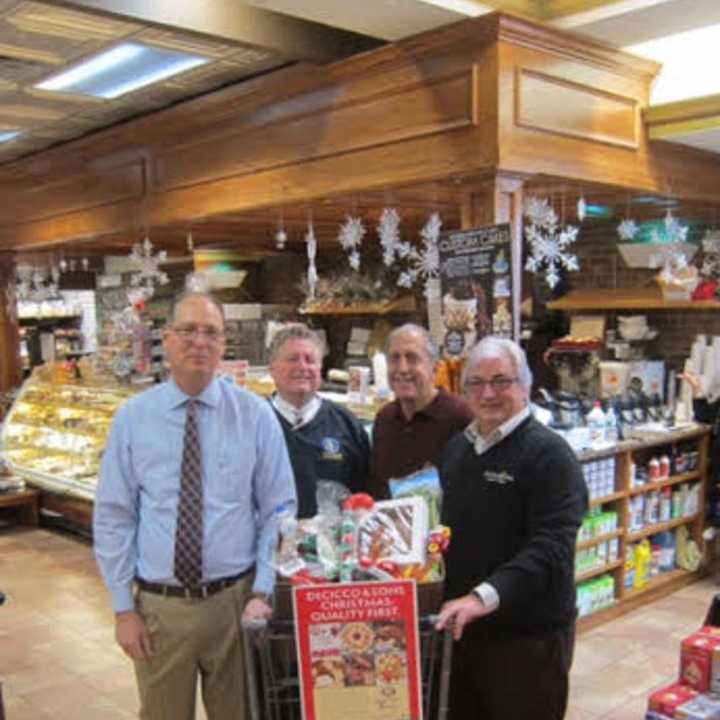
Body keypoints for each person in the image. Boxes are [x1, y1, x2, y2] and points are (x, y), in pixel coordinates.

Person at [93, 291, 297, 720]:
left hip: (235, 604)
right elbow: (114, 515)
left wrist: (263, 589)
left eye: (211, 332)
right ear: (166, 338)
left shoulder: (255, 416)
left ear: (224, 345)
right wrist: (122, 608)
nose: (199, 342)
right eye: (187, 330)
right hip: (159, 610)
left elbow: (278, 510)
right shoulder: (133, 419)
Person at [436, 336, 588, 720]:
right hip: (464, 631)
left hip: (527, 638)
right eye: (476, 383)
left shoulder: (551, 455)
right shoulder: (457, 450)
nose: (488, 393)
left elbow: (551, 548)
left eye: (501, 381)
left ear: (525, 385)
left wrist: (482, 597)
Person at [267, 323, 370, 518]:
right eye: (293, 359)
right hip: (269, 544)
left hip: (334, 544)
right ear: (272, 368)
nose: (302, 367)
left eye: (310, 360)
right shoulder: (254, 423)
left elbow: (365, 496)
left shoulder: (346, 425)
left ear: (320, 367)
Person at [369, 323, 473, 498]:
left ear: (435, 368)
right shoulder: (384, 419)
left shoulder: (461, 416)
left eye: (412, 358)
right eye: (394, 358)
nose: (402, 369)